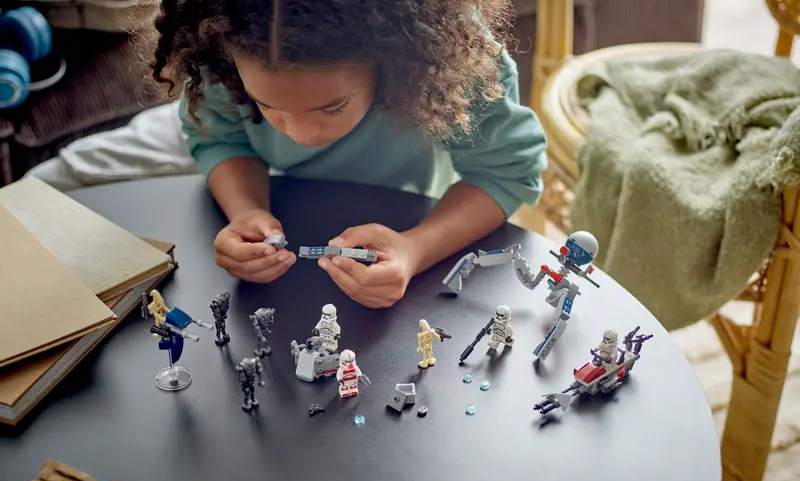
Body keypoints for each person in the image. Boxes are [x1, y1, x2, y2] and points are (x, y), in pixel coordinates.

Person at [29, 0, 547, 309]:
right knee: (48, 187)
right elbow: (220, 139)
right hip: (209, 127)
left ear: (394, 63)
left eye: (331, 106)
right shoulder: (221, 54)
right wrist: (245, 210)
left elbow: (506, 173)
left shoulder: (454, 72)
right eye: (269, 104)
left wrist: (415, 249)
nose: (300, 133)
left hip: (389, 182)